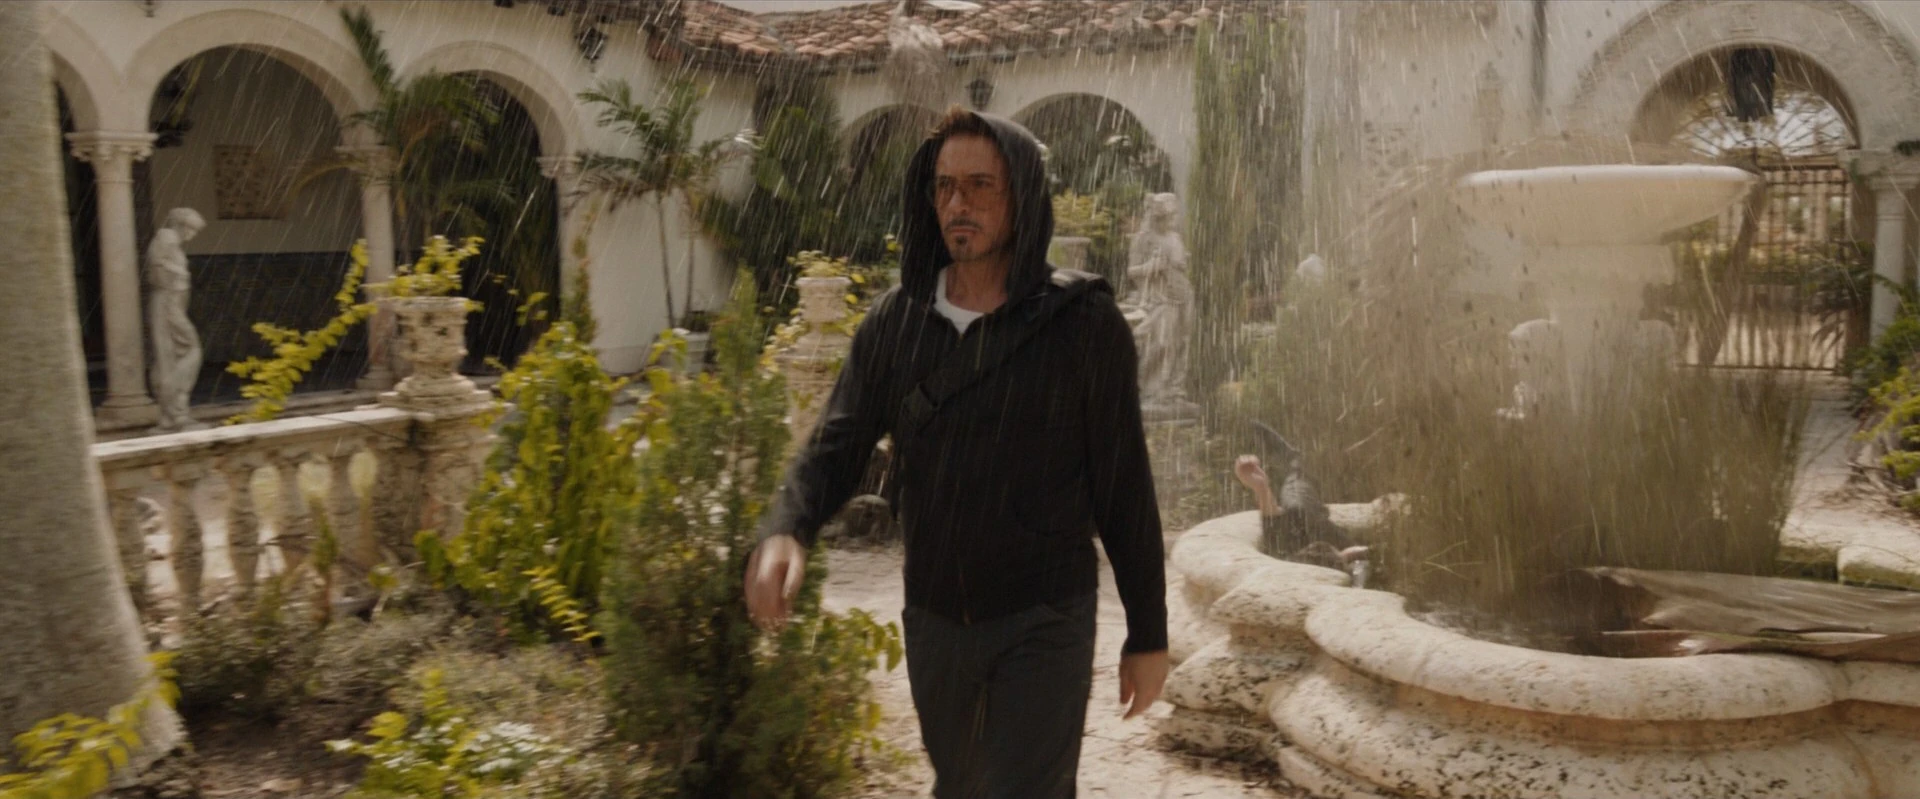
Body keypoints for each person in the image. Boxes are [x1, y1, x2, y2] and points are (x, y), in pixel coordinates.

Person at [745, 107, 1168, 798]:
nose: (957, 203)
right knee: (960, 784)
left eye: (979, 185)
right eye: (944, 186)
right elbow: (837, 441)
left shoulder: (1083, 325)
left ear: (1021, 198)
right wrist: (786, 526)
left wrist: (1147, 632)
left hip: (1044, 614)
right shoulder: (896, 322)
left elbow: (1124, 485)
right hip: (935, 615)